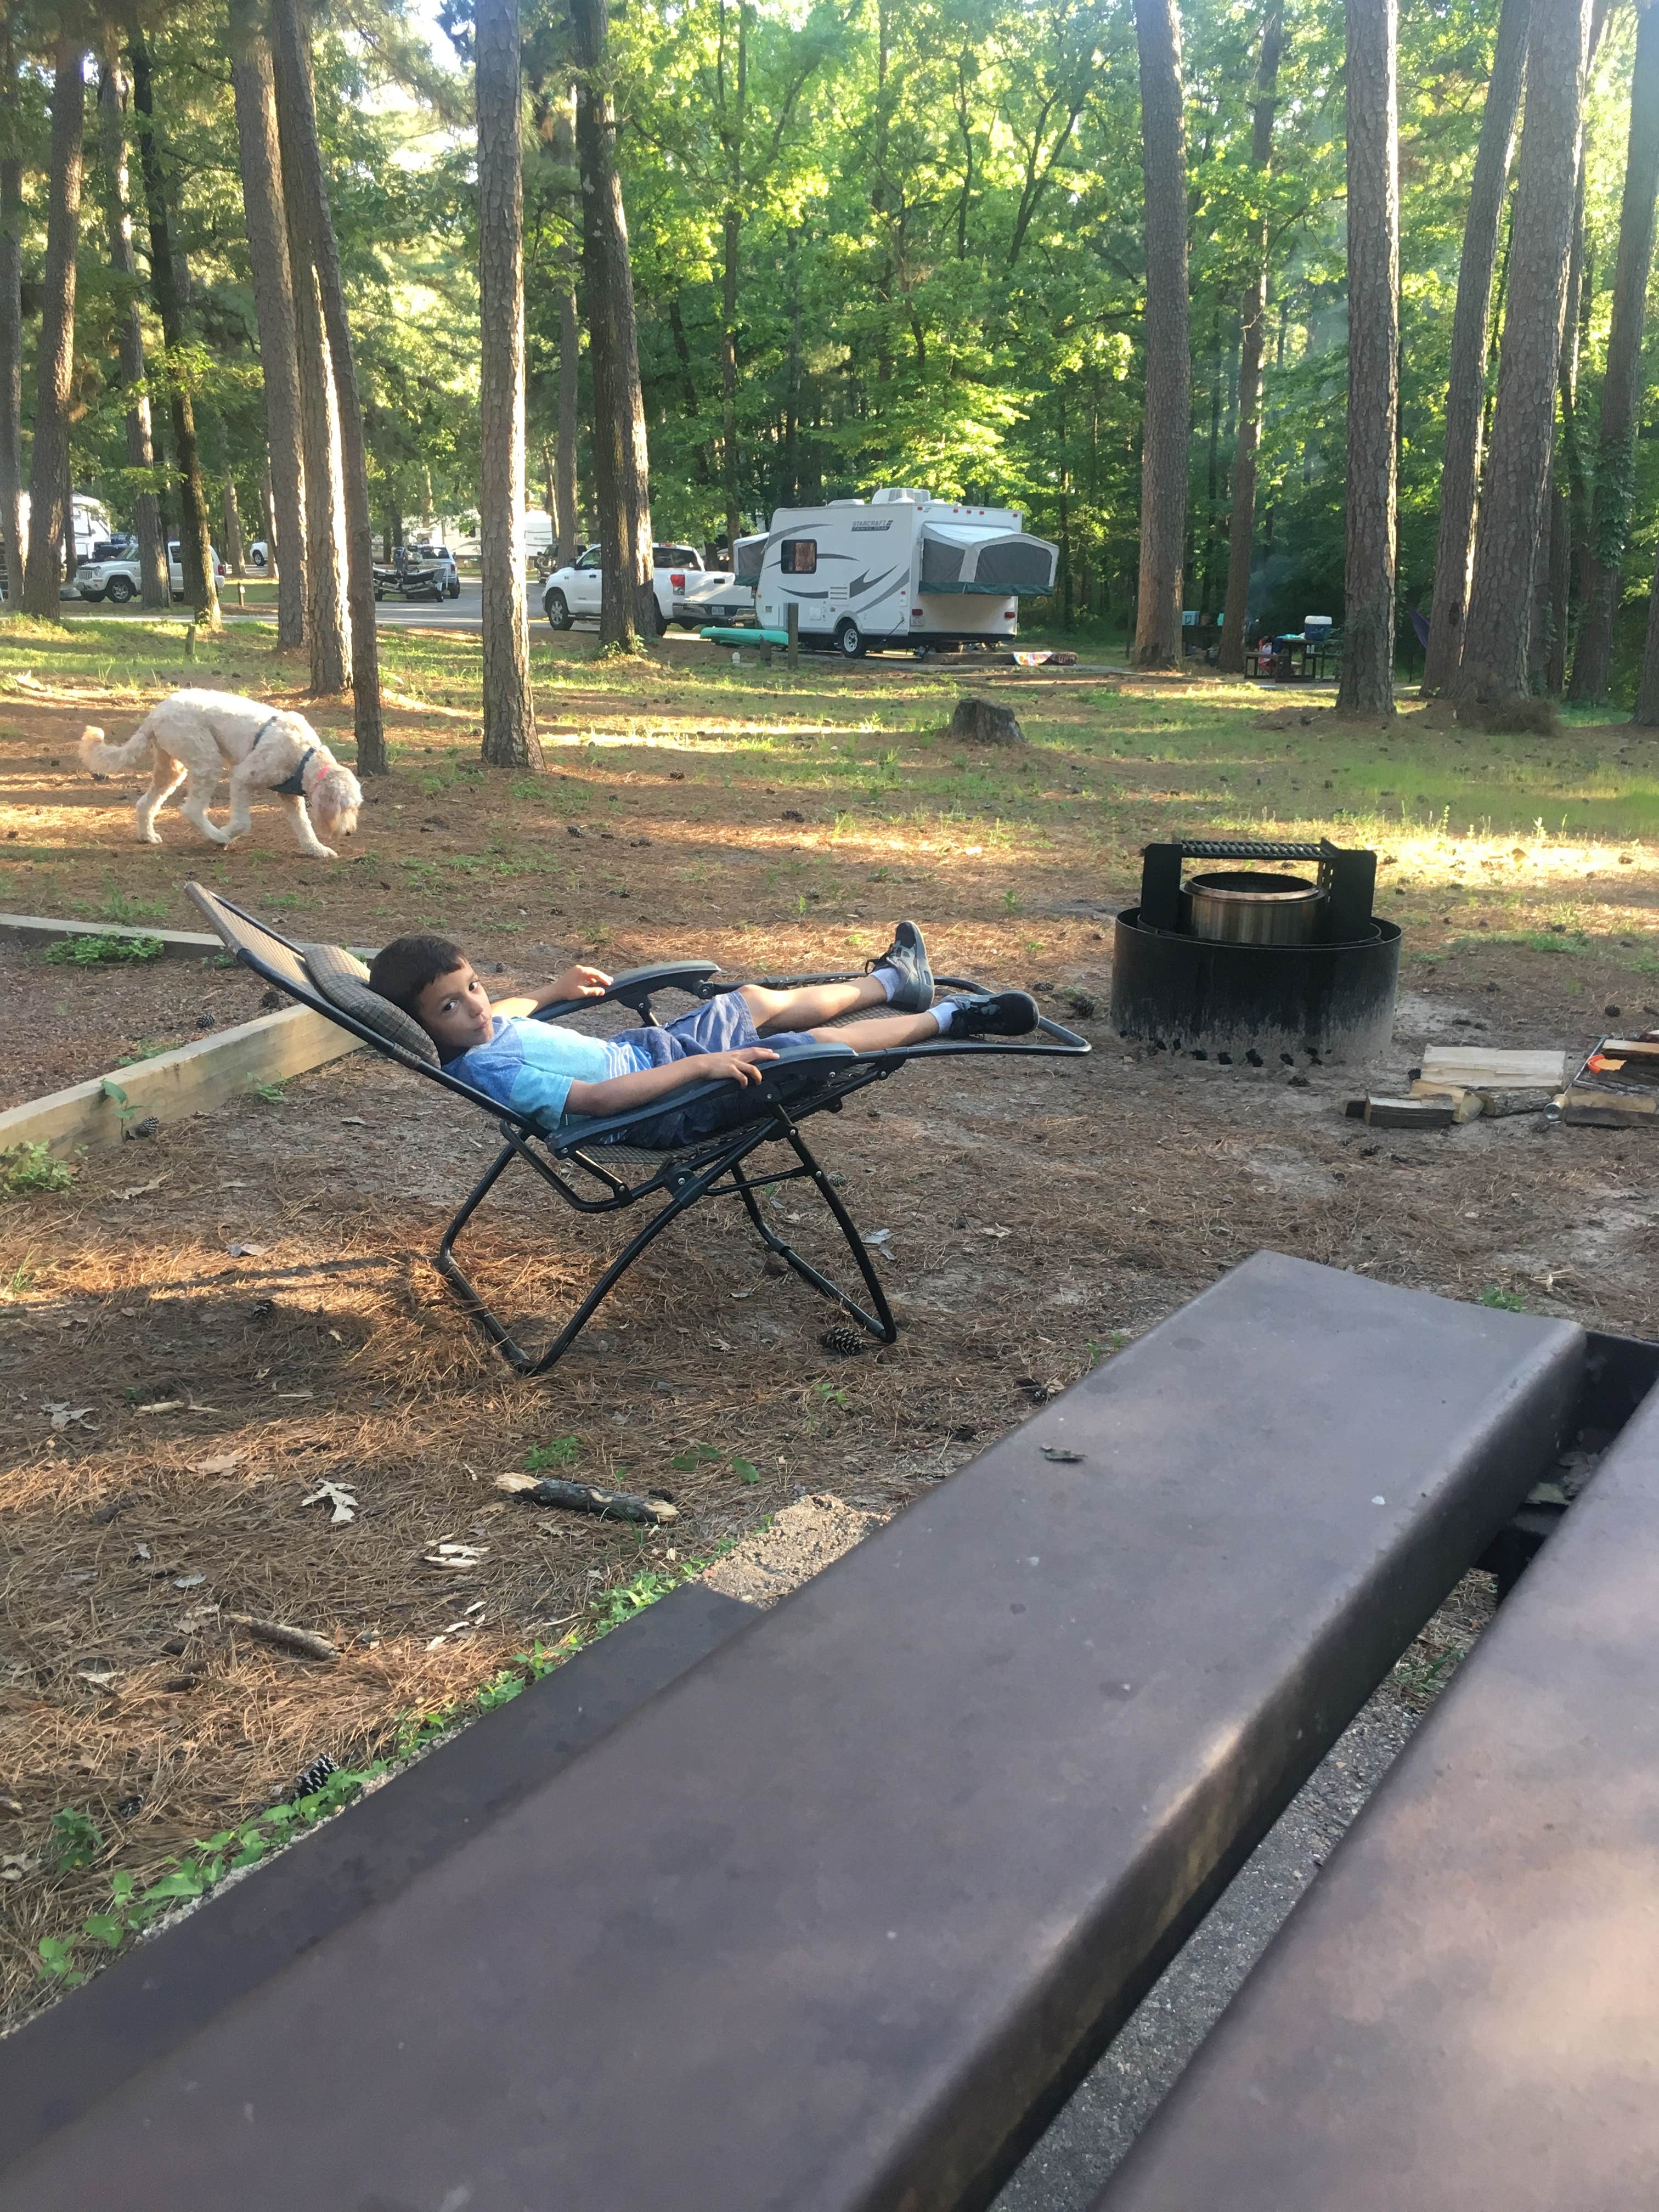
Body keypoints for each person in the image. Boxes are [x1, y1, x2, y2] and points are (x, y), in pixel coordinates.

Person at [367, 922, 1037, 1147]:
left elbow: (512, 1008)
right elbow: (598, 1104)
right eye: (451, 1008)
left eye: (473, 988)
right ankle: (955, 1019)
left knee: (750, 1001)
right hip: (659, 1109)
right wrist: (702, 1069)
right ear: (424, 1029)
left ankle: (894, 984)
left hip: (653, 1058)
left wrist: (552, 990)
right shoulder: (487, 1073)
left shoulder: (488, 1027)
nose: (477, 1008)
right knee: (803, 1053)